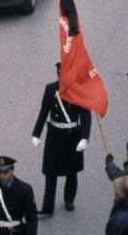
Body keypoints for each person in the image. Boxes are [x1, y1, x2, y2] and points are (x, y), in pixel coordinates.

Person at [31, 64, 91, 216]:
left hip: (72, 134)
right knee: (50, 172)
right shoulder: (51, 89)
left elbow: (85, 116)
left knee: (72, 171)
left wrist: (84, 138)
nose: (62, 78)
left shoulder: (78, 90)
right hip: (54, 134)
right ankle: (47, 207)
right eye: (59, 75)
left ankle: (69, 199)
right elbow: (43, 112)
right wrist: (36, 134)